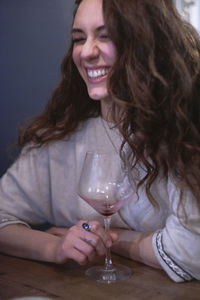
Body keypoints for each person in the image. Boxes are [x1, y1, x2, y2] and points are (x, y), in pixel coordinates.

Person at [0, 0, 200, 283]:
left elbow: (192, 253)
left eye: (105, 36)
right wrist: (55, 247)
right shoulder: (58, 139)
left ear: (146, 43)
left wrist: (111, 239)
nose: (87, 52)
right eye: (79, 39)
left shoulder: (181, 134)